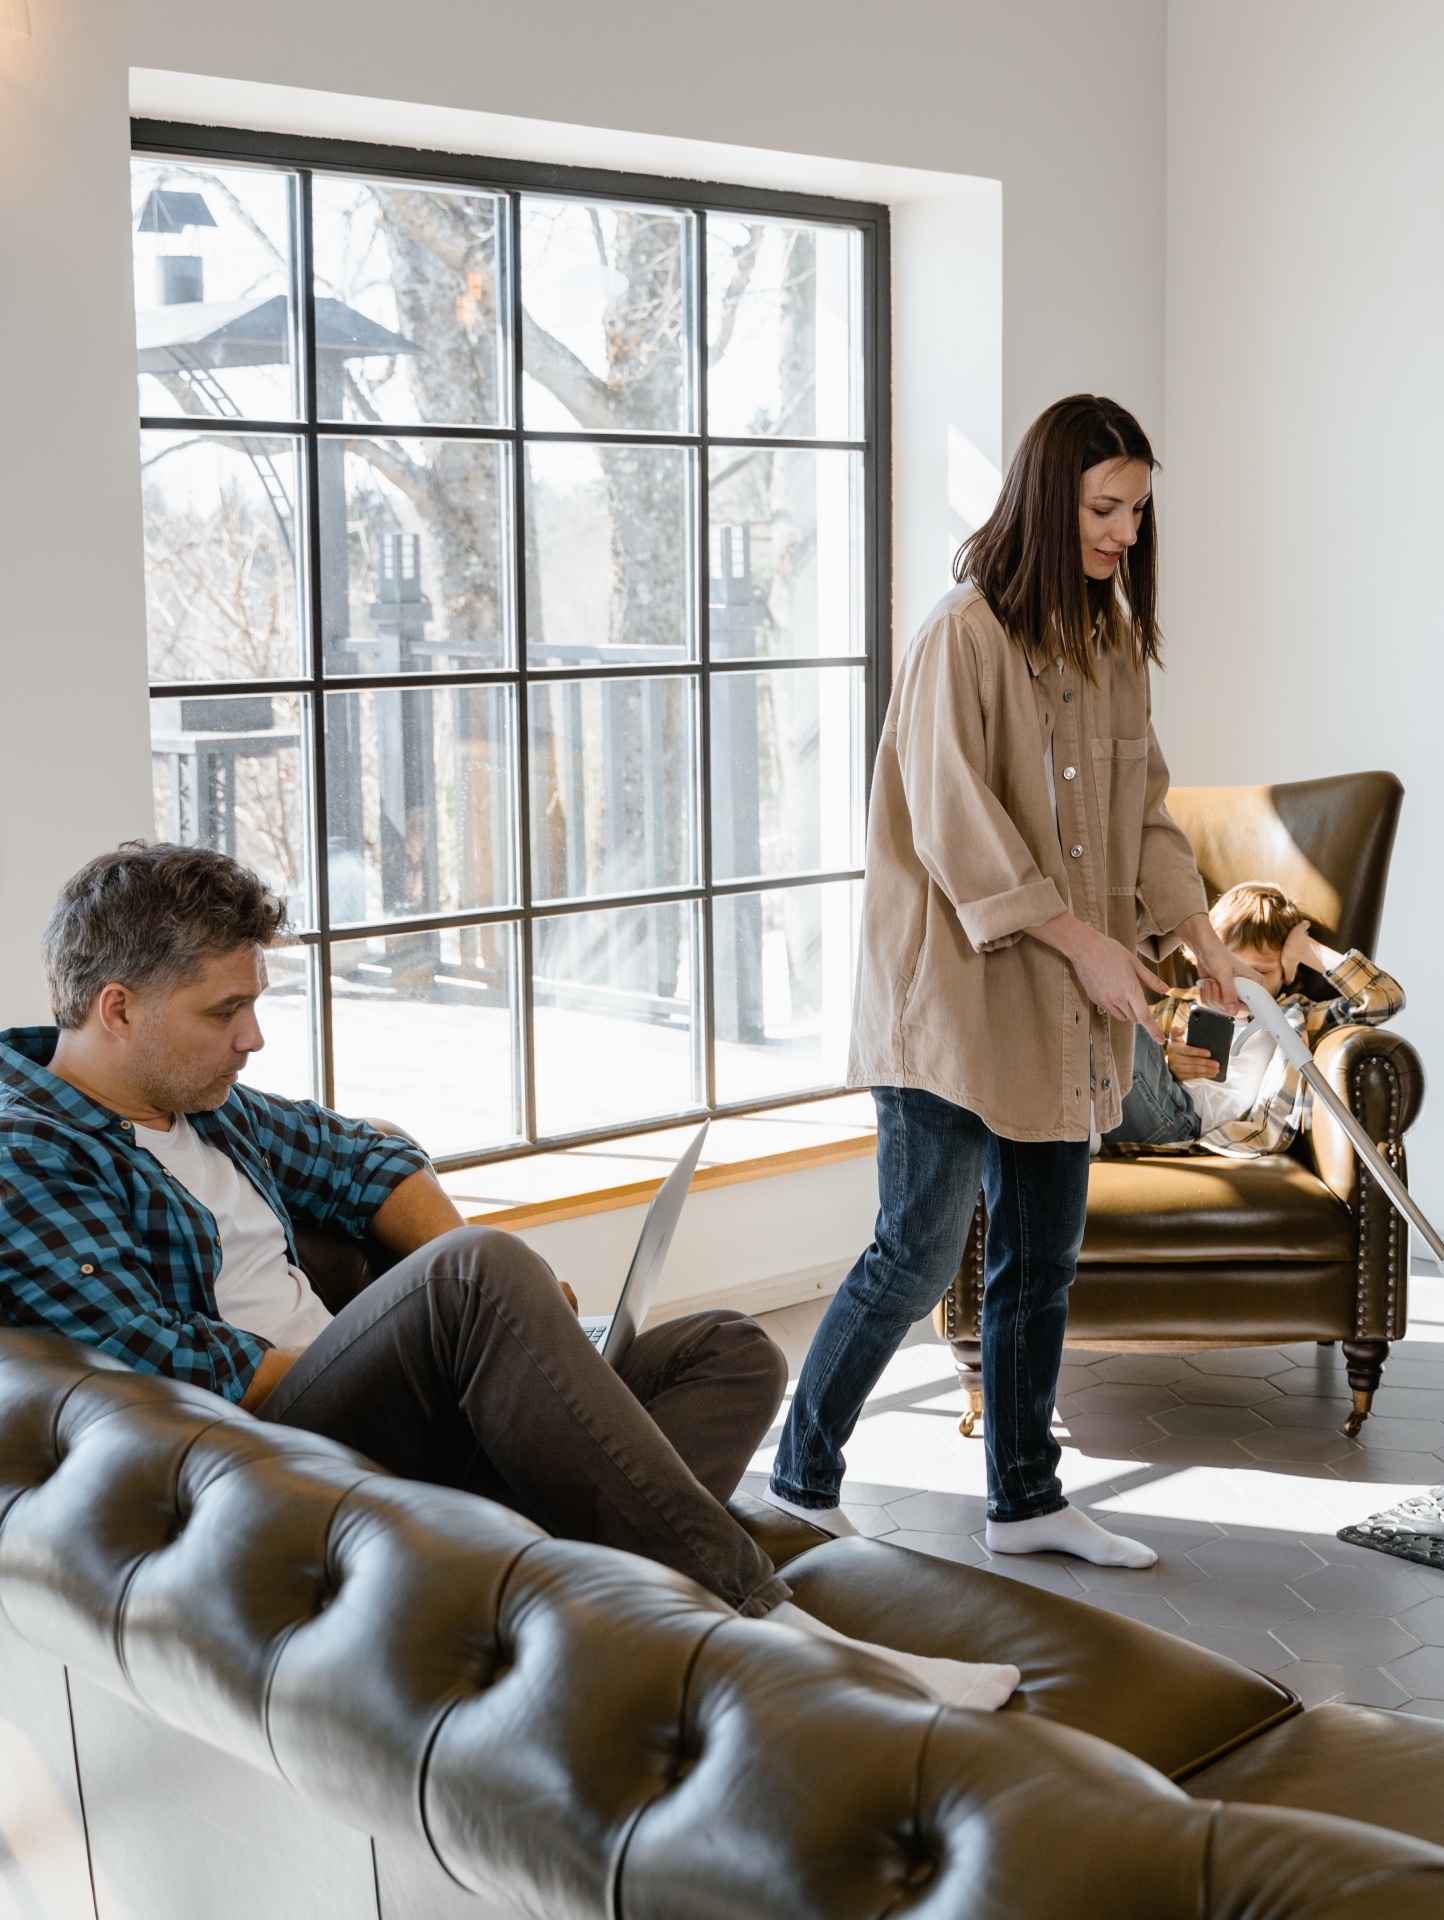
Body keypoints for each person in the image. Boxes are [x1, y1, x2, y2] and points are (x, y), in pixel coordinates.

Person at [0, 843, 1017, 1710]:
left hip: (373, 1409)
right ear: (119, 1008)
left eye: (253, 1006)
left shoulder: (202, 1102)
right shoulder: (31, 1152)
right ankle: (780, 1629)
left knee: (731, 1351)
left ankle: (558, 1585)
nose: (252, 1037)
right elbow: (164, 1362)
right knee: (478, 1272)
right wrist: (448, 1346)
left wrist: (493, 1355)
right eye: (225, 1011)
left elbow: (363, 1158)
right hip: (276, 1451)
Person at [766, 395, 1258, 1571]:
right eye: (1103, 508)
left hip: (1057, 1003)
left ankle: (1026, 1500)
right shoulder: (962, 636)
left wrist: (1198, 931)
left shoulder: (1112, 647)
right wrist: (1085, 943)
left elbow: (1142, 813)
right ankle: (797, 1482)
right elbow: (953, 824)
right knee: (916, 1252)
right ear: (1049, 498)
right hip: (946, 999)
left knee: (1042, 1257)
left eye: (1137, 510)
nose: (1124, 533)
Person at [1103, 880, 1404, 1157]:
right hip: (1160, 1110)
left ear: (1287, 971)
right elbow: (1129, 1062)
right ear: (1201, 963)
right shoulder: (1176, 1006)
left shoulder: (1296, 1017)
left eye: (1257, 973)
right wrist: (1167, 1062)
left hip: (1205, 1135)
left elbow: (1384, 1000)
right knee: (1115, 1017)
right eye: (1225, 970)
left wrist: (1304, 948)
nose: (1239, 986)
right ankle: (1079, 1132)